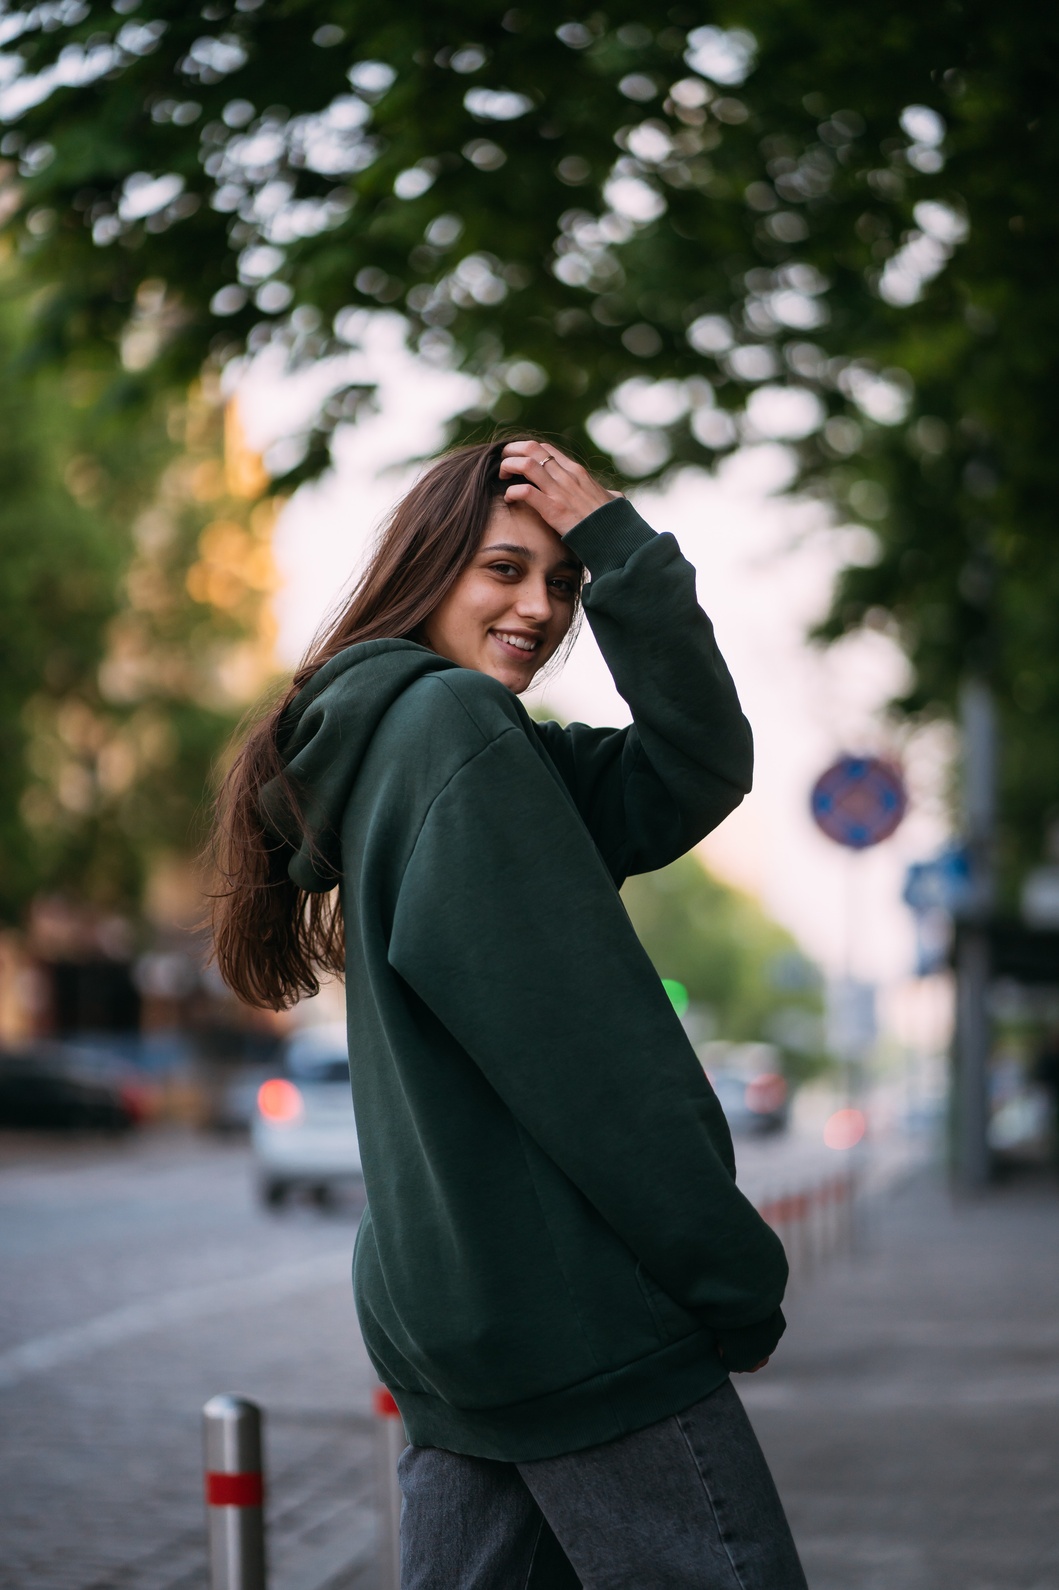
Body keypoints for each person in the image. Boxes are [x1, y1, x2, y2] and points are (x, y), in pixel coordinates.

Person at [212, 437, 806, 1588]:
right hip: (578, 1325)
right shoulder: (457, 739)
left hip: (455, 1323)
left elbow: (694, 766)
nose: (539, 607)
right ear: (429, 569)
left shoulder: (420, 743)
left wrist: (622, 553)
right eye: (503, 570)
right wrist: (731, 1274)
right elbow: (596, 1058)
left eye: (564, 582)